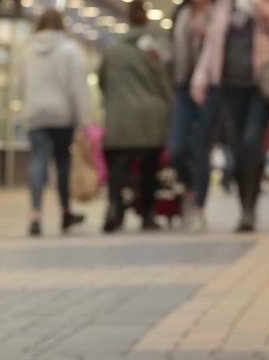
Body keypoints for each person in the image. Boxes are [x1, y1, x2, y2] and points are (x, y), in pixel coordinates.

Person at [191, 0, 269, 232]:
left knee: (252, 141)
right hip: (231, 84)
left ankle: (250, 208)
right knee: (237, 147)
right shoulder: (226, 4)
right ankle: (244, 208)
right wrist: (201, 77)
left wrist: (263, 10)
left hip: (264, 84)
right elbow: (213, 43)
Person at [99, 0, 172, 233]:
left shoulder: (112, 51)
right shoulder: (155, 51)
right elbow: (165, 82)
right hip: (151, 117)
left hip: (120, 117)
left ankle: (114, 209)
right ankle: (147, 214)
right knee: (149, 170)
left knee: (118, 169)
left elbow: (102, 82)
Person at [18, 9, 89, 237]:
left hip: (36, 114)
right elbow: (77, 89)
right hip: (62, 116)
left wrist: (27, 105)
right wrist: (82, 121)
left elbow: (21, 84)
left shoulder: (27, 50)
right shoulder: (69, 51)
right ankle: (65, 212)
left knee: (37, 163)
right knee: (62, 165)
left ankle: (35, 215)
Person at [168, 0, 218, 233]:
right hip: (182, 87)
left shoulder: (218, 13)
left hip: (209, 88)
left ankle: (199, 207)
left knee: (200, 149)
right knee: (176, 147)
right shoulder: (183, 13)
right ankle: (189, 188)